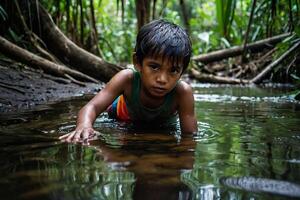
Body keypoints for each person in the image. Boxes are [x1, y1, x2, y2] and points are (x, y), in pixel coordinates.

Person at [59, 19, 198, 144]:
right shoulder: (127, 79)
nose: (162, 79)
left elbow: (190, 136)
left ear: (182, 71)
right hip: (120, 114)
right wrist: (84, 126)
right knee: (111, 109)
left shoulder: (182, 93)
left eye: (173, 70)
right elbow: (92, 107)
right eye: (154, 67)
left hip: (162, 125)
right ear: (137, 63)